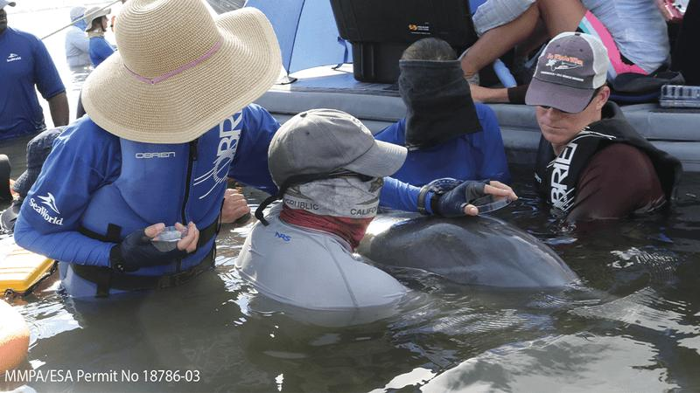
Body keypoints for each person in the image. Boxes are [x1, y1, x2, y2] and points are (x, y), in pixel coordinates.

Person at [13, 0, 512, 299]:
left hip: (198, 282)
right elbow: (33, 232)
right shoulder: (93, 140)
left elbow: (325, 172)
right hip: (108, 298)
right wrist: (116, 255)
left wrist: (430, 198)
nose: (202, 106)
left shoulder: (237, 118)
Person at [236, 109, 517, 315]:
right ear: (327, 190)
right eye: (370, 176)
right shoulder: (367, 291)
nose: (378, 184)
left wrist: (430, 198)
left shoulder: (263, 227)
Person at [525, 32, 681, 222]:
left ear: (601, 98)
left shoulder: (619, 164)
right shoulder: (564, 128)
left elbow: (581, 245)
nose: (550, 115)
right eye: (544, 100)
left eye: (565, 104)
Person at [462, 0, 672, 104]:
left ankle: (463, 73)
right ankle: (520, 63)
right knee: (544, 6)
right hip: (640, 61)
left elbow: (509, 6)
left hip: (628, 69)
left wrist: (466, 28)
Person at [374, 38, 511, 186]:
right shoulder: (380, 150)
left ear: (404, 87)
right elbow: (498, 188)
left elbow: (498, 186)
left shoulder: (481, 118)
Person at [0, 0, 69, 141]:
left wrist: (61, 138)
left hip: (29, 139)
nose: (2, 12)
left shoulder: (30, 43)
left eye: (3, 8)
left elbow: (56, 93)